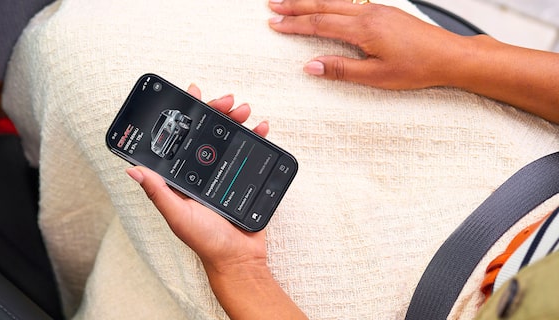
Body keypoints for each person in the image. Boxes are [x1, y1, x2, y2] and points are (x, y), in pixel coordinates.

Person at [127, 0, 559, 318]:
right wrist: (458, 55)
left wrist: (238, 269)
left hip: (420, 298)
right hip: (533, 166)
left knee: (95, 58)